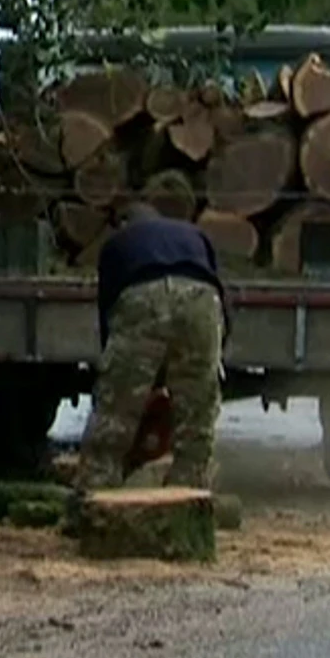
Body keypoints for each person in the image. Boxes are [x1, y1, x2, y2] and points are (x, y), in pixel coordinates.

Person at [78, 202, 230, 491]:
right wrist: (217, 352)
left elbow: (109, 307)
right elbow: (218, 290)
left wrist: (119, 372)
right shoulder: (194, 233)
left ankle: (95, 490)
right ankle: (190, 491)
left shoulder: (116, 244)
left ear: (125, 223)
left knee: (116, 413)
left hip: (143, 294)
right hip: (201, 299)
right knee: (197, 414)